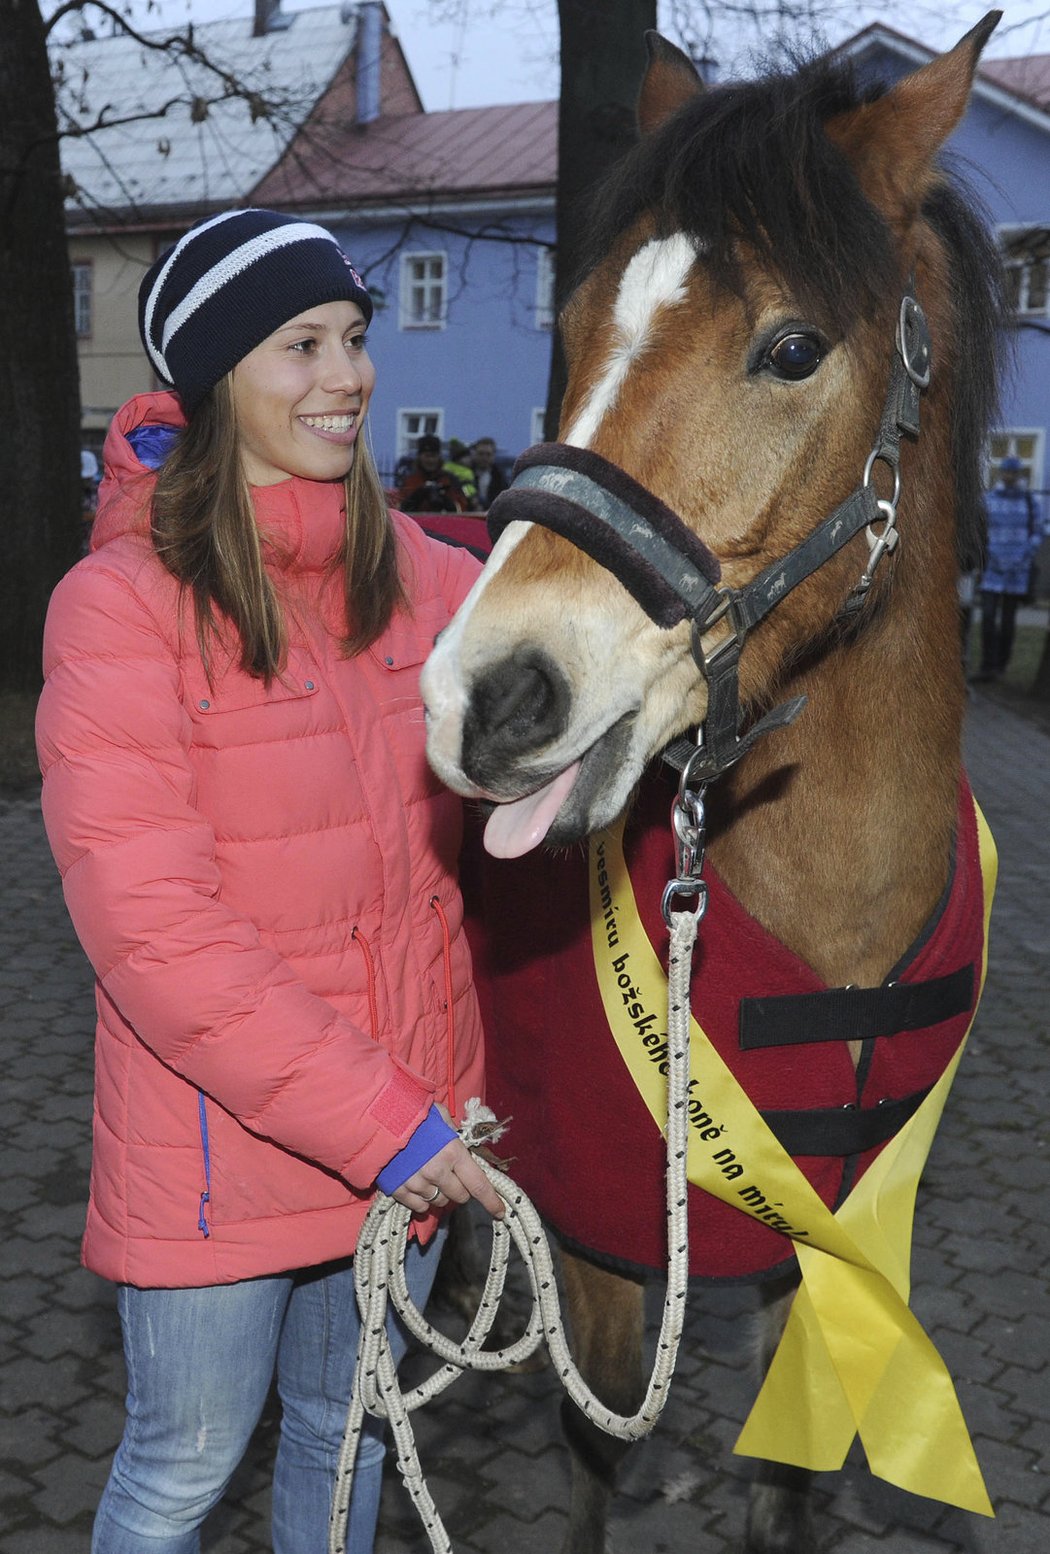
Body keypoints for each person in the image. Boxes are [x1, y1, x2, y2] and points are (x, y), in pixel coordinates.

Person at [35, 207, 504, 1554]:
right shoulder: (122, 605)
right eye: (300, 344)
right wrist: (398, 1128)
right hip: (220, 1153)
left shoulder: (409, 572)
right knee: (180, 1472)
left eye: (354, 337)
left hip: (408, 1126)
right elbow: (158, 937)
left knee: (348, 1442)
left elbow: (565, 660)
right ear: (216, 376)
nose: (345, 373)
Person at [974, 454, 1044, 680]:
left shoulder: (1029, 501)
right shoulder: (989, 499)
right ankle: (987, 665)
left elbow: (1038, 531)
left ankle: (1001, 666)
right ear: (1001, 473)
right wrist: (986, 555)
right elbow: (980, 532)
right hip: (992, 569)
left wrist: (1024, 554)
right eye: (1006, 471)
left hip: (1017, 571)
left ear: (1018, 475)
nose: (1009, 476)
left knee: (1007, 621)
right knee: (987, 618)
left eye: (1013, 472)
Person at [396, 433, 469, 514]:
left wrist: (444, 499)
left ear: (439, 457)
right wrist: (418, 495)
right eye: (427, 456)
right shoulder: (410, 480)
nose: (430, 460)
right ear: (419, 457)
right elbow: (400, 510)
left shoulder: (450, 480)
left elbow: (461, 509)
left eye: (433, 456)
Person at [470, 436, 509, 512]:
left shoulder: (499, 477)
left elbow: (504, 499)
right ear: (475, 454)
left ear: (493, 456)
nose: (484, 458)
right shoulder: (467, 474)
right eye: (481, 454)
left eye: (488, 454)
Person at [443, 438, 478, 508]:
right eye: (467, 457)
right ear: (459, 458)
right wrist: (472, 497)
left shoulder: (445, 467)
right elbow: (468, 488)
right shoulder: (466, 472)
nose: (470, 459)